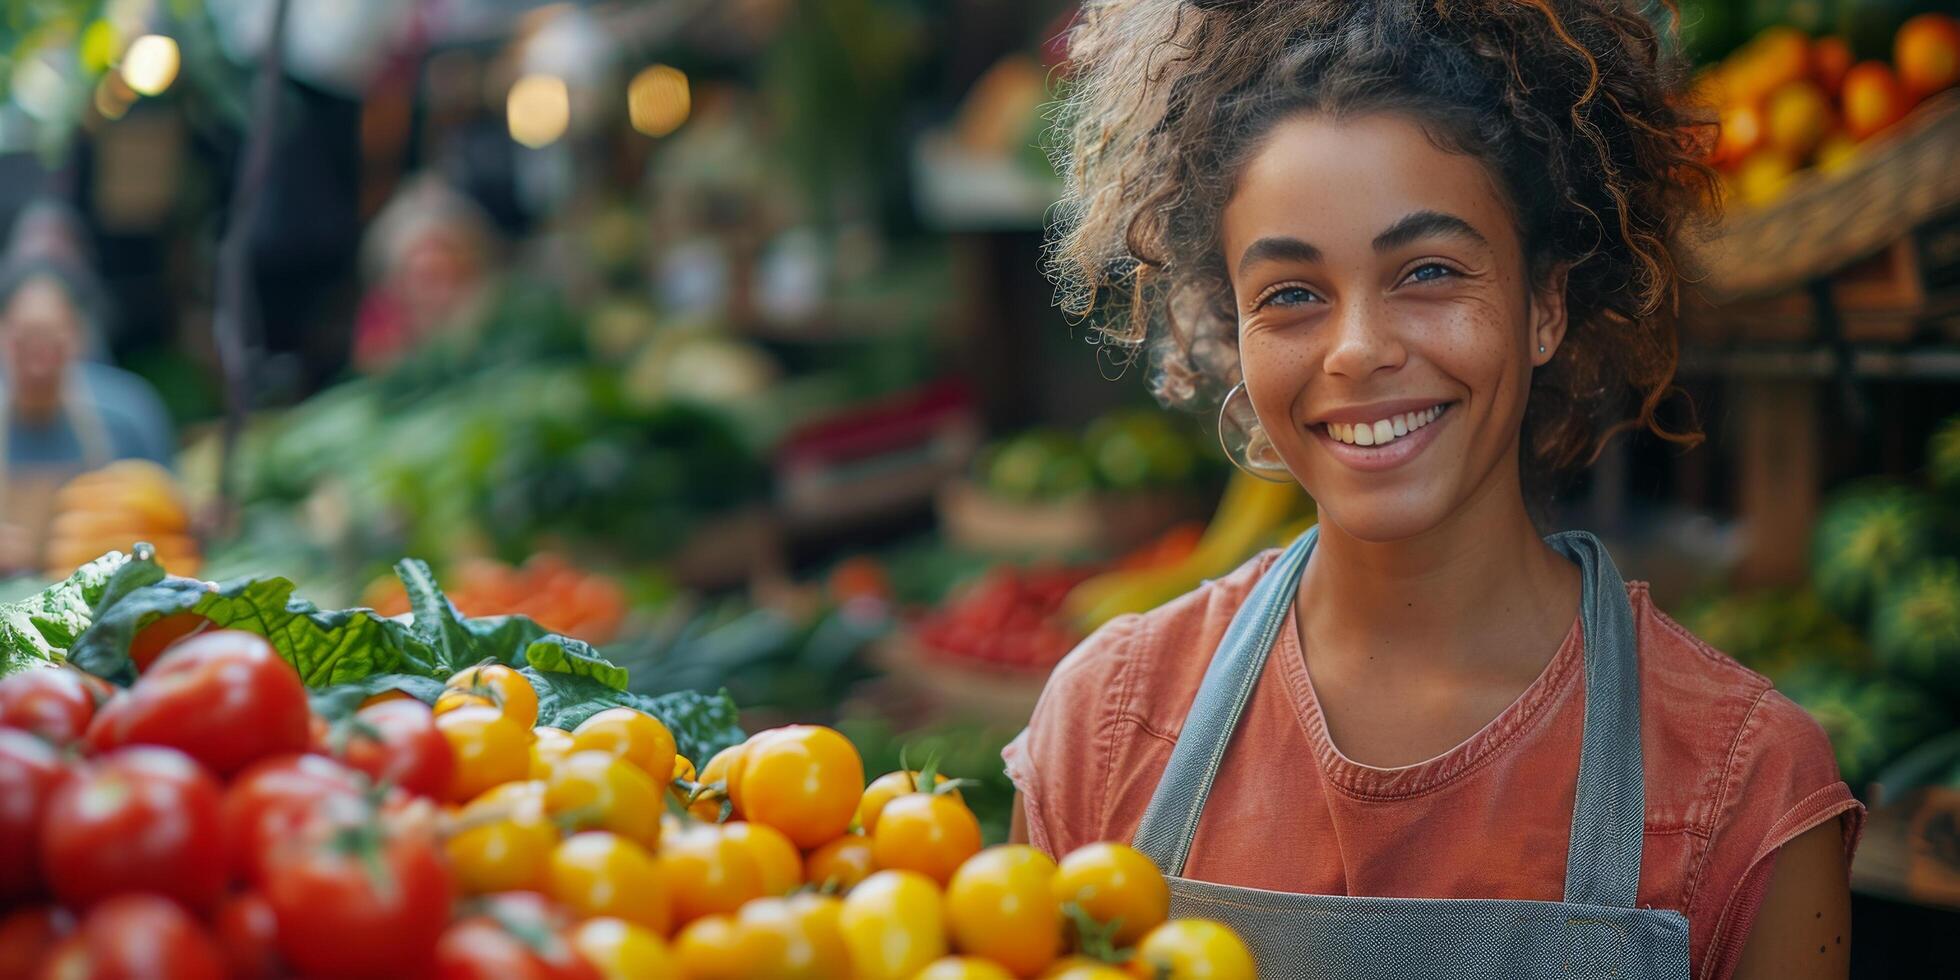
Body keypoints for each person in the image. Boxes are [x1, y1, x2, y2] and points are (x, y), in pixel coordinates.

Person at [1007, 3, 1858, 979]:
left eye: (1427, 270)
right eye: (1290, 292)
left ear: (1545, 304)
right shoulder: (1103, 726)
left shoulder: (1743, 787)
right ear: (1228, 327)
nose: (1359, 347)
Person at [0, 260, 174, 571]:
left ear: (79, 335)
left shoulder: (130, 414)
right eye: (24, 340)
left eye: (51, 340)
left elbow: (173, 528)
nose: (38, 361)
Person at [351, 176, 499, 372]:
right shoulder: (381, 314)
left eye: (449, 274)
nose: (439, 289)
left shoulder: (492, 312)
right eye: (426, 276)